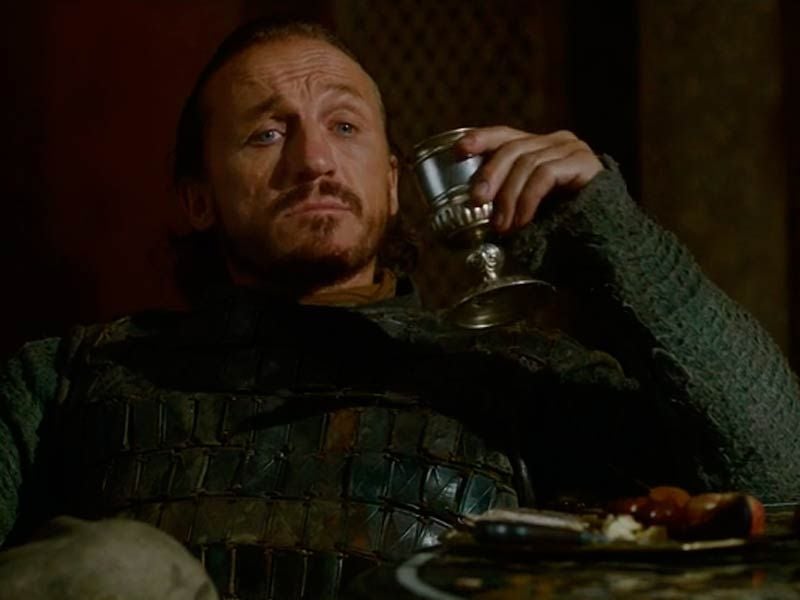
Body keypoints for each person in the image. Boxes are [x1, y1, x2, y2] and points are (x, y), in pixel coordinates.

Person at [2, 17, 799, 600]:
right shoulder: (71, 376)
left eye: (344, 125)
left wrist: (608, 230)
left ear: (391, 183)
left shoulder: (519, 377)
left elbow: (781, 481)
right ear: (198, 199)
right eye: (266, 135)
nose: (315, 160)